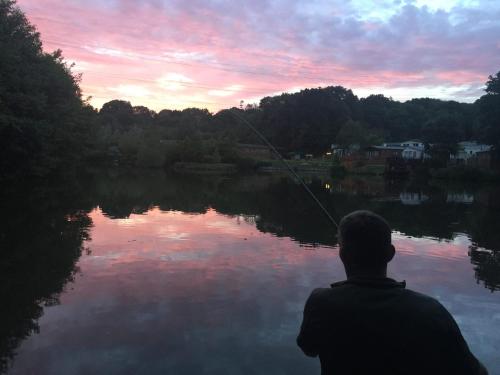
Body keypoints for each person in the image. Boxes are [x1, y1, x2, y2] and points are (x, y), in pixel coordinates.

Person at [297, 210, 487, 375]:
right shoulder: (430, 311)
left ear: (342, 254)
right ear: (391, 253)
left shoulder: (320, 303)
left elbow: (309, 348)